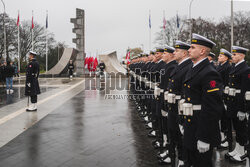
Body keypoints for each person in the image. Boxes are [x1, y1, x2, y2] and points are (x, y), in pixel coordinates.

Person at [182, 33, 224, 166]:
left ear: (202, 51)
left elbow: (211, 108)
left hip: (201, 129)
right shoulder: (194, 68)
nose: (189, 50)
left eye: (192, 47)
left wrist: (204, 137)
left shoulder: (209, 72)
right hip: (191, 125)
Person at [225, 46, 249, 163]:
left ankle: (243, 152)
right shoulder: (235, 67)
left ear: (241, 55)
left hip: (239, 104)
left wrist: (243, 109)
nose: (232, 57)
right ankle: (237, 149)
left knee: (241, 129)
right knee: (236, 127)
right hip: (233, 103)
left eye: (234, 55)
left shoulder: (245, 69)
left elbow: (245, 92)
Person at [216, 48, 232, 150]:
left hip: (223, 96)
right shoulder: (219, 66)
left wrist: (225, 97)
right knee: (220, 118)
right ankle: (222, 137)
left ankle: (225, 138)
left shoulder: (227, 67)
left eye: (221, 56)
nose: (218, 57)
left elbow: (226, 83)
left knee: (224, 119)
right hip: (218, 95)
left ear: (226, 58)